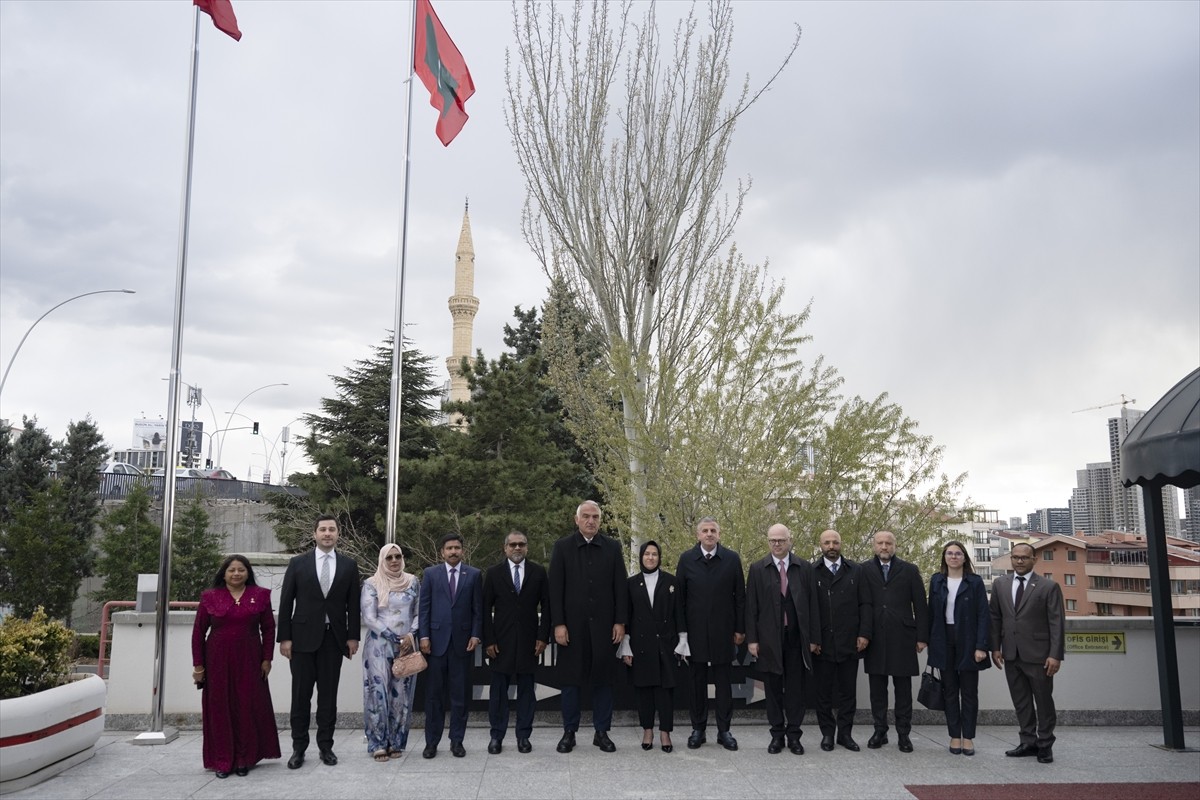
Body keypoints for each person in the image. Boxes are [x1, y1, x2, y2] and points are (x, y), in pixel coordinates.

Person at [278, 515, 362, 769]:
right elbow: (285, 602)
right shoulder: (298, 563)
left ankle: (326, 747)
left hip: (333, 640)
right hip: (301, 640)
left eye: (332, 529)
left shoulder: (349, 565)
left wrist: (352, 636)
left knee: (328, 697)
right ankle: (298, 748)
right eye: (323, 529)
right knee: (300, 696)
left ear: (338, 534)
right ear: (314, 534)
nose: (327, 533)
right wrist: (284, 638)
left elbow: (353, 605)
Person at [548, 500, 628, 754]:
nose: (591, 521)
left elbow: (620, 586)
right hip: (572, 628)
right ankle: (569, 732)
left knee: (603, 681)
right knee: (570, 682)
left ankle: (601, 731)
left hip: (605, 628)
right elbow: (555, 589)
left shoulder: (612, 547)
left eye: (595, 517)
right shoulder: (562, 547)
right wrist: (559, 624)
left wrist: (620, 621)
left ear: (600, 521)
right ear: (577, 520)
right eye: (586, 516)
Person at [192, 554, 281, 778]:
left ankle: (244, 758)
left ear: (248, 573)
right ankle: (223, 760)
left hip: (250, 660)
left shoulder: (260, 595)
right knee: (220, 709)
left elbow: (268, 629)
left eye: (241, 569)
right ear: (223, 574)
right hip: (217, 661)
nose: (236, 574)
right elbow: (198, 633)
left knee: (246, 707)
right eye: (231, 570)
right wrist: (198, 666)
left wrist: (267, 658)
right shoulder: (210, 597)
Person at [745, 524, 821, 755]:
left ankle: (794, 736)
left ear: (789, 540)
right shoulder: (758, 568)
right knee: (773, 690)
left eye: (781, 540)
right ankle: (777, 735)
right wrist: (752, 640)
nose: (776, 544)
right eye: (772, 540)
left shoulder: (804, 567)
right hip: (769, 640)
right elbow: (751, 607)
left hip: (797, 639)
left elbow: (813, 605)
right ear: (768, 542)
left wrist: (813, 638)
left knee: (796, 690)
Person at [990, 541, 1064, 764]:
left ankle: (1045, 744)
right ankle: (1028, 742)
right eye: (1015, 557)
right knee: (1021, 701)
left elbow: (1057, 623)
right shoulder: (1000, 584)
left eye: (1024, 557)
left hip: (1040, 655)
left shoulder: (1048, 587)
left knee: (1043, 701)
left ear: (1034, 560)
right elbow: (995, 617)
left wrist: (1055, 654)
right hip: (1011, 653)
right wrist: (995, 647)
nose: (1019, 561)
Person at [676, 516, 746, 751]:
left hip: (723, 632)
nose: (709, 534)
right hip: (694, 633)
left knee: (724, 684)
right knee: (696, 683)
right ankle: (698, 729)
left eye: (713, 530)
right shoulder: (686, 559)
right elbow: (680, 600)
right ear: (698, 535)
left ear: (719, 534)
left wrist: (740, 629)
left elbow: (740, 597)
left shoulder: (731, 559)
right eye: (704, 530)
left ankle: (724, 731)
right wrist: (682, 632)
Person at [861, 530, 929, 753]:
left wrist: (922, 637)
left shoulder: (909, 570)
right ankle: (880, 730)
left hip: (903, 637)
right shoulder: (863, 570)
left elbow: (920, 605)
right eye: (880, 543)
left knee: (903, 690)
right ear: (874, 545)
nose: (884, 547)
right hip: (874, 638)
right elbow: (860, 604)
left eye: (888, 543)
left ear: (895, 546)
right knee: (877, 689)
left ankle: (903, 734)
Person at [482, 530, 550, 755]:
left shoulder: (538, 572)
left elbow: (547, 607)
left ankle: (523, 736)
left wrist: (543, 637)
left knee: (527, 693)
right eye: (513, 545)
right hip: (500, 643)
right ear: (505, 548)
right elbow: (484, 609)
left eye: (521, 544)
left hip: (530, 643)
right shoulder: (494, 573)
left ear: (527, 547)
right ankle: (496, 736)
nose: (517, 548)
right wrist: (489, 640)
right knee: (498, 693)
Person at [418, 532, 483, 759]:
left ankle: (457, 741)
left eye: (457, 548)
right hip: (435, 645)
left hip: (462, 645)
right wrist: (423, 636)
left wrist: (475, 635)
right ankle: (431, 742)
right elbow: (424, 608)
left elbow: (478, 609)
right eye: (449, 548)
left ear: (462, 551)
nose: (453, 552)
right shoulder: (431, 574)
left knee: (460, 697)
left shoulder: (474, 574)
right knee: (434, 697)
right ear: (442, 552)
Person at [926, 540, 991, 756]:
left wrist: (981, 646)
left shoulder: (974, 582)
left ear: (964, 558)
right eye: (949, 553)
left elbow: (983, 615)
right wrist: (927, 641)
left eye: (958, 553)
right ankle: (955, 735)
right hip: (943, 640)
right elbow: (931, 613)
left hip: (969, 641)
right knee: (950, 691)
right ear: (944, 557)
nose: (953, 557)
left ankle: (968, 737)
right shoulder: (936, 580)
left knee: (969, 692)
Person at [619, 540, 684, 753]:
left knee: (665, 692)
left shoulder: (672, 581)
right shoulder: (630, 583)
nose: (650, 557)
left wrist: (682, 641)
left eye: (654, 554)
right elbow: (626, 617)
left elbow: (679, 613)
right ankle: (647, 730)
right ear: (641, 557)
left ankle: (665, 732)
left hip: (666, 643)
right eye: (647, 554)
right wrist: (626, 646)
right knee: (644, 691)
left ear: (659, 557)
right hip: (640, 644)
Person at [812, 529, 872, 752]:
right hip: (822, 644)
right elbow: (808, 609)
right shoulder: (812, 571)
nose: (831, 546)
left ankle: (845, 734)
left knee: (848, 693)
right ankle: (827, 734)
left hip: (850, 642)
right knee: (823, 694)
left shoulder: (856, 570)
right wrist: (813, 638)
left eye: (835, 542)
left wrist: (864, 633)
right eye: (827, 542)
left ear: (841, 544)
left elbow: (865, 604)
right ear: (820, 545)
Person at [360, 542, 421, 761]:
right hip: (379, 645)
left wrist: (411, 635)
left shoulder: (413, 582)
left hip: (406, 646)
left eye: (398, 556)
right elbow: (369, 617)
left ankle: (396, 742)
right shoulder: (372, 583)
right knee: (378, 693)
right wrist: (393, 636)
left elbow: (419, 612)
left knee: (401, 695)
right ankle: (377, 743)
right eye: (389, 557)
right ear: (382, 560)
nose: (394, 561)